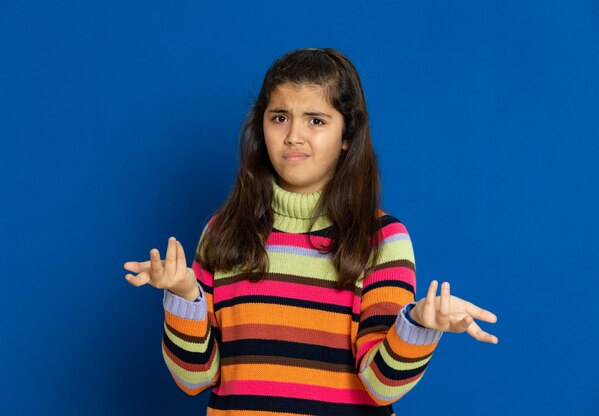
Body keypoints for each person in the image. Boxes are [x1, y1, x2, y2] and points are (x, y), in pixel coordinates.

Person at [123, 47, 498, 415]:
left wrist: (418, 325)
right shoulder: (223, 231)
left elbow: (381, 385)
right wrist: (184, 297)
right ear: (261, 125)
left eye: (316, 120)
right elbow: (194, 378)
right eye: (280, 117)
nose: (293, 136)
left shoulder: (382, 238)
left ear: (347, 135)